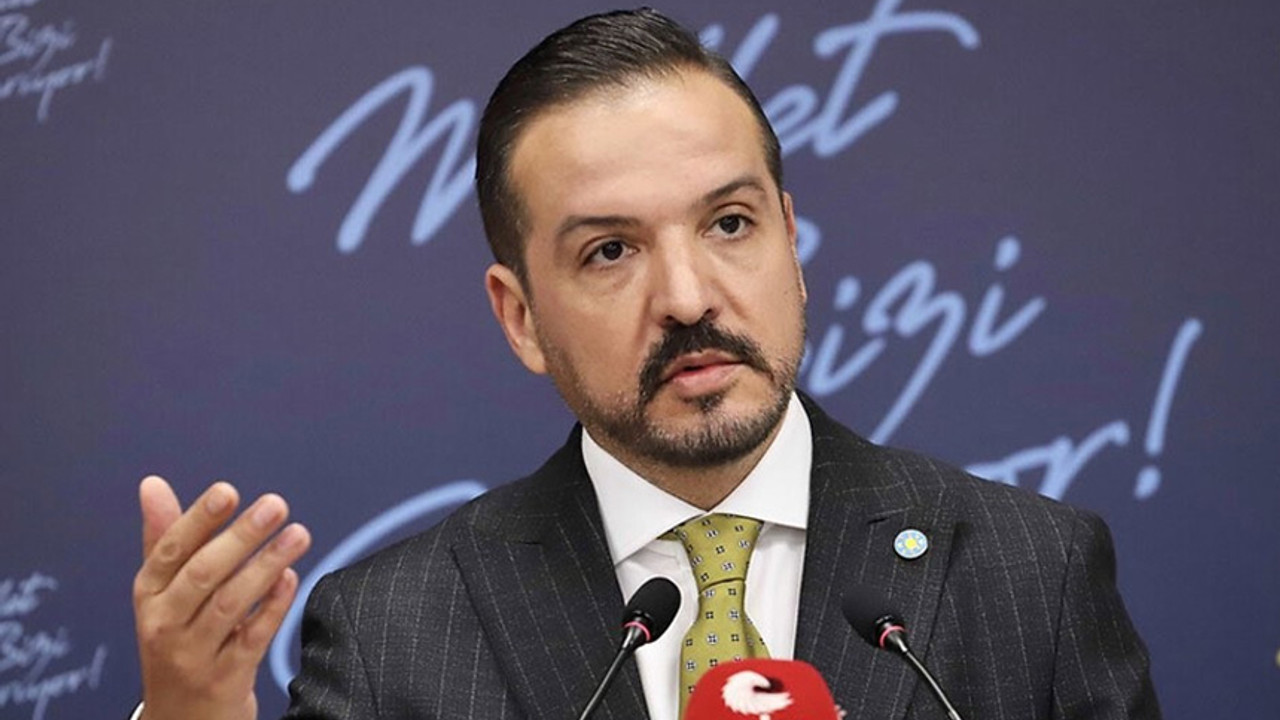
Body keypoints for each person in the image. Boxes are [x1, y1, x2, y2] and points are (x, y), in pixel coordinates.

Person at [130, 9, 1160, 720]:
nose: (688, 296)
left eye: (729, 223)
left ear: (790, 241)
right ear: (520, 317)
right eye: (610, 251)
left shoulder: (1031, 574)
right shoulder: (393, 633)